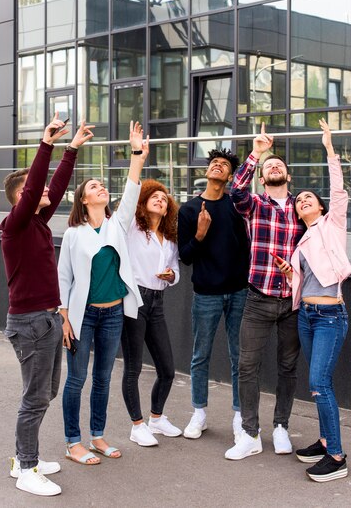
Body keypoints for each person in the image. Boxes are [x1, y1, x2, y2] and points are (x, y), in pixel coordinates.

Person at [1, 115, 94, 496]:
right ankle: (26, 467)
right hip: (30, 324)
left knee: (45, 393)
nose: (46, 196)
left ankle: (25, 456)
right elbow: (41, 184)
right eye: (34, 191)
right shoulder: (15, 225)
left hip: (48, 319)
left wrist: (70, 150)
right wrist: (46, 144)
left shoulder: (38, 222)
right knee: (35, 398)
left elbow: (51, 188)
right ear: (22, 197)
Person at [58, 121, 148, 465]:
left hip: (112, 314)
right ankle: (72, 441)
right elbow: (63, 277)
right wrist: (64, 316)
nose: (101, 189)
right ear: (83, 198)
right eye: (94, 186)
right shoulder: (74, 234)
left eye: (101, 186)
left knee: (102, 379)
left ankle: (96, 436)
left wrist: (136, 152)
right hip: (82, 316)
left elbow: (131, 189)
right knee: (76, 379)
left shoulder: (117, 224)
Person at [225, 123, 305, 461]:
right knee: (247, 366)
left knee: (287, 367)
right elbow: (235, 189)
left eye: (279, 166)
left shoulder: (300, 210)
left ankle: (281, 427)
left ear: (288, 178)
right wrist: (256, 152)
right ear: (262, 176)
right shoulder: (253, 204)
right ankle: (250, 433)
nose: (274, 167)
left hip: (291, 301)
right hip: (257, 298)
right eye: (268, 166)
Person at [280, 119, 351, 482]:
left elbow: (339, 191)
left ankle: (337, 457)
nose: (302, 200)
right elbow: (303, 280)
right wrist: (287, 271)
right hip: (306, 316)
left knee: (319, 382)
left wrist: (329, 149)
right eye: (298, 200)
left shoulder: (332, 225)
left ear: (321, 207)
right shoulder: (302, 242)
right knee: (318, 383)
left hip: (329, 317)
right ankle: (326, 441)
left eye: (309, 197)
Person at [178, 149, 249, 442]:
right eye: (214, 163)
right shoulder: (189, 210)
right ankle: (199, 413)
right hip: (206, 292)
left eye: (224, 165)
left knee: (239, 357)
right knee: (200, 355)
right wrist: (200, 235)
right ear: (207, 171)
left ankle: (239, 415)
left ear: (231, 176)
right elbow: (185, 257)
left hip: (239, 291)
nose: (218, 166)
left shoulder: (237, 206)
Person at [121, 179, 181, 446]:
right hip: (135, 300)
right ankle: (137, 425)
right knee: (132, 368)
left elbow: (176, 269)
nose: (160, 199)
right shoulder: (133, 228)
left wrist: (171, 276)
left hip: (158, 301)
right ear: (143, 202)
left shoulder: (169, 237)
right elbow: (129, 195)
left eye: (164, 198)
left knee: (167, 369)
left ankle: (156, 419)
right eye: (154, 196)